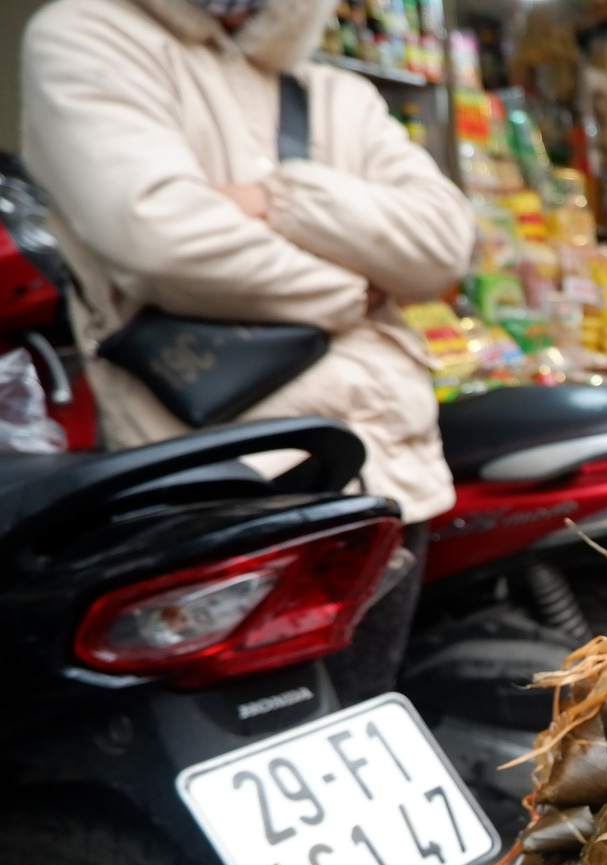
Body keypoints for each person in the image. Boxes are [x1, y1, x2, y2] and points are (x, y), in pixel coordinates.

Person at [22, 0, 476, 696]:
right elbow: (162, 238)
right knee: (245, 725)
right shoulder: (89, 35)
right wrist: (356, 288)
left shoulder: (336, 92)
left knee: (360, 711)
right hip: (230, 475)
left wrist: (276, 200)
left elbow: (444, 244)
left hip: (391, 468)